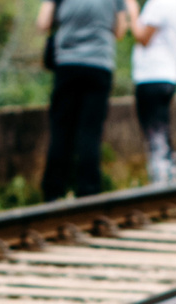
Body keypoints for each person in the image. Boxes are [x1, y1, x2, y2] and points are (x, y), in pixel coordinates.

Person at [37, 0, 133, 199]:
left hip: (67, 64)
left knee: (61, 130)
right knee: (90, 132)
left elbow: (43, 22)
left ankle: (53, 192)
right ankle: (89, 192)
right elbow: (120, 30)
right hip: (99, 65)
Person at [125, 0, 176, 187]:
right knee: (162, 130)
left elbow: (143, 37)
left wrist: (133, 13)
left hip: (152, 75)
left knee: (154, 133)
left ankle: (160, 182)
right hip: (169, 74)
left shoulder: (158, 3)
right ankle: (170, 178)